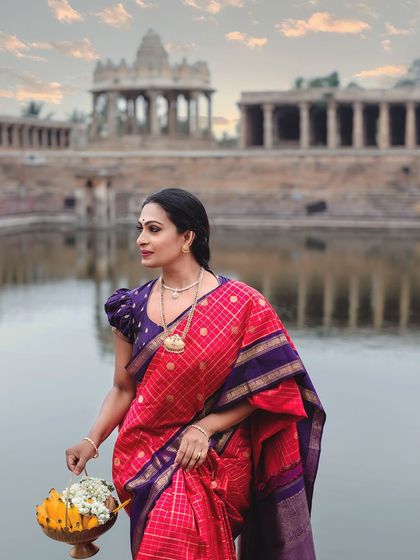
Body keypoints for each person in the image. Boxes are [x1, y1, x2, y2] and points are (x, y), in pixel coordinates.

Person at [66, 187, 326, 560]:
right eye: (139, 229)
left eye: (154, 229)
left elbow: (273, 387)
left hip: (213, 456)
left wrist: (207, 427)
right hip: (143, 456)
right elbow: (123, 390)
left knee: (173, 537)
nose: (141, 239)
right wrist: (90, 442)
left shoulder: (242, 305)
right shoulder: (130, 307)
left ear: (188, 237)